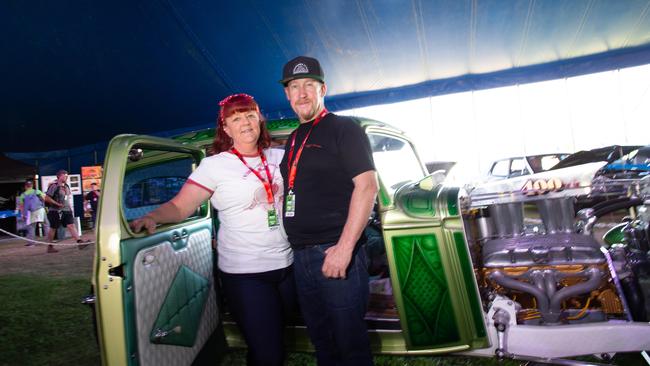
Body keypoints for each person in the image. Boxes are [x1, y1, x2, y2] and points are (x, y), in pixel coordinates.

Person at [130, 93, 295, 366]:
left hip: (287, 266)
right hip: (245, 273)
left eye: (250, 115)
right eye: (236, 118)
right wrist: (153, 217)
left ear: (260, 120)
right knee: (270, 354)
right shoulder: (215, 166)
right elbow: (180, 206)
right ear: (226, 128)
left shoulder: (279, 156)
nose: (245, 123)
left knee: (271, 341)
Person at [279, 56, 378, 365]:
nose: (302, 93)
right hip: (302, 256)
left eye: (309, 85)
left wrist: (344, 248)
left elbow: (367, 186)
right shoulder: (294, 138)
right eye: (295, 87)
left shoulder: (344, 128)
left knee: (350, 344)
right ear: (287, 94)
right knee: (322, 340)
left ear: (323, 89)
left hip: (334, 250)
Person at [46, 170, 90, 253]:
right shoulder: (54, 186)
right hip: (55, 211)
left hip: (66, 210)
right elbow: (47, 198)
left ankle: (80, 242)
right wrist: (57, 204)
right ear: (59, 176)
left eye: (67, 175)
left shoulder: (66, 186)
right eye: (64, 175)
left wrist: (70, 208)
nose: (66, 177)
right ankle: (50, 247)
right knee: (53, 228)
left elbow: (67, 199)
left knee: (71, 225)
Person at [18, 180, 58, 245]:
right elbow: (44, 198)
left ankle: (31, 242)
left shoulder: (23, 195)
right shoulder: (37, 191)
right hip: (40, 210)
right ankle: (50, 240)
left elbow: (21, 206)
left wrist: (23, 214)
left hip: (31, 212)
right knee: (46, 225)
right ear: (32, 186)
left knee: (31, 227)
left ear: (25, 186)